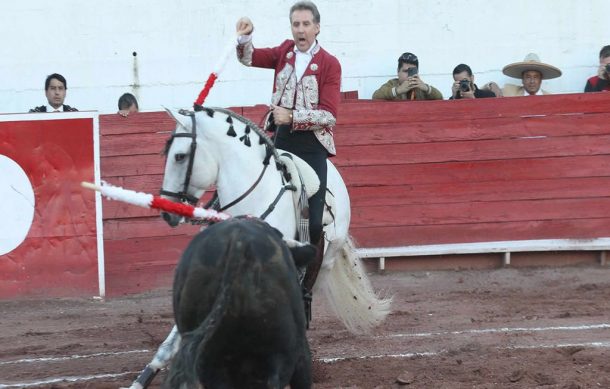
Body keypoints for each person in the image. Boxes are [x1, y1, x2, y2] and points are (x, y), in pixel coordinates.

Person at [235, 1, 338, 251]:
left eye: (306, 24)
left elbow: (329, 116)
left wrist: (291, 117)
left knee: (313, 224)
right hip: (281, 142)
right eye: (296, 24)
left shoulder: (329, 63)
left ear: (317, 28)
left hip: (312, 147)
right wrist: (245, 37)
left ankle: (306, 274)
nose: (300, 30)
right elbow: (249, 58)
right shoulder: (284, 52)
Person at [372, 52, 443, 101]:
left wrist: (426, 88)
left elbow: (440, 98)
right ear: (398, 71)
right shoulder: (392, 84)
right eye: (405, 71)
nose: (408, 75)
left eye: (412, 71)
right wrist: (398, 90)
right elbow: (375, 96)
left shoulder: (420, 86)